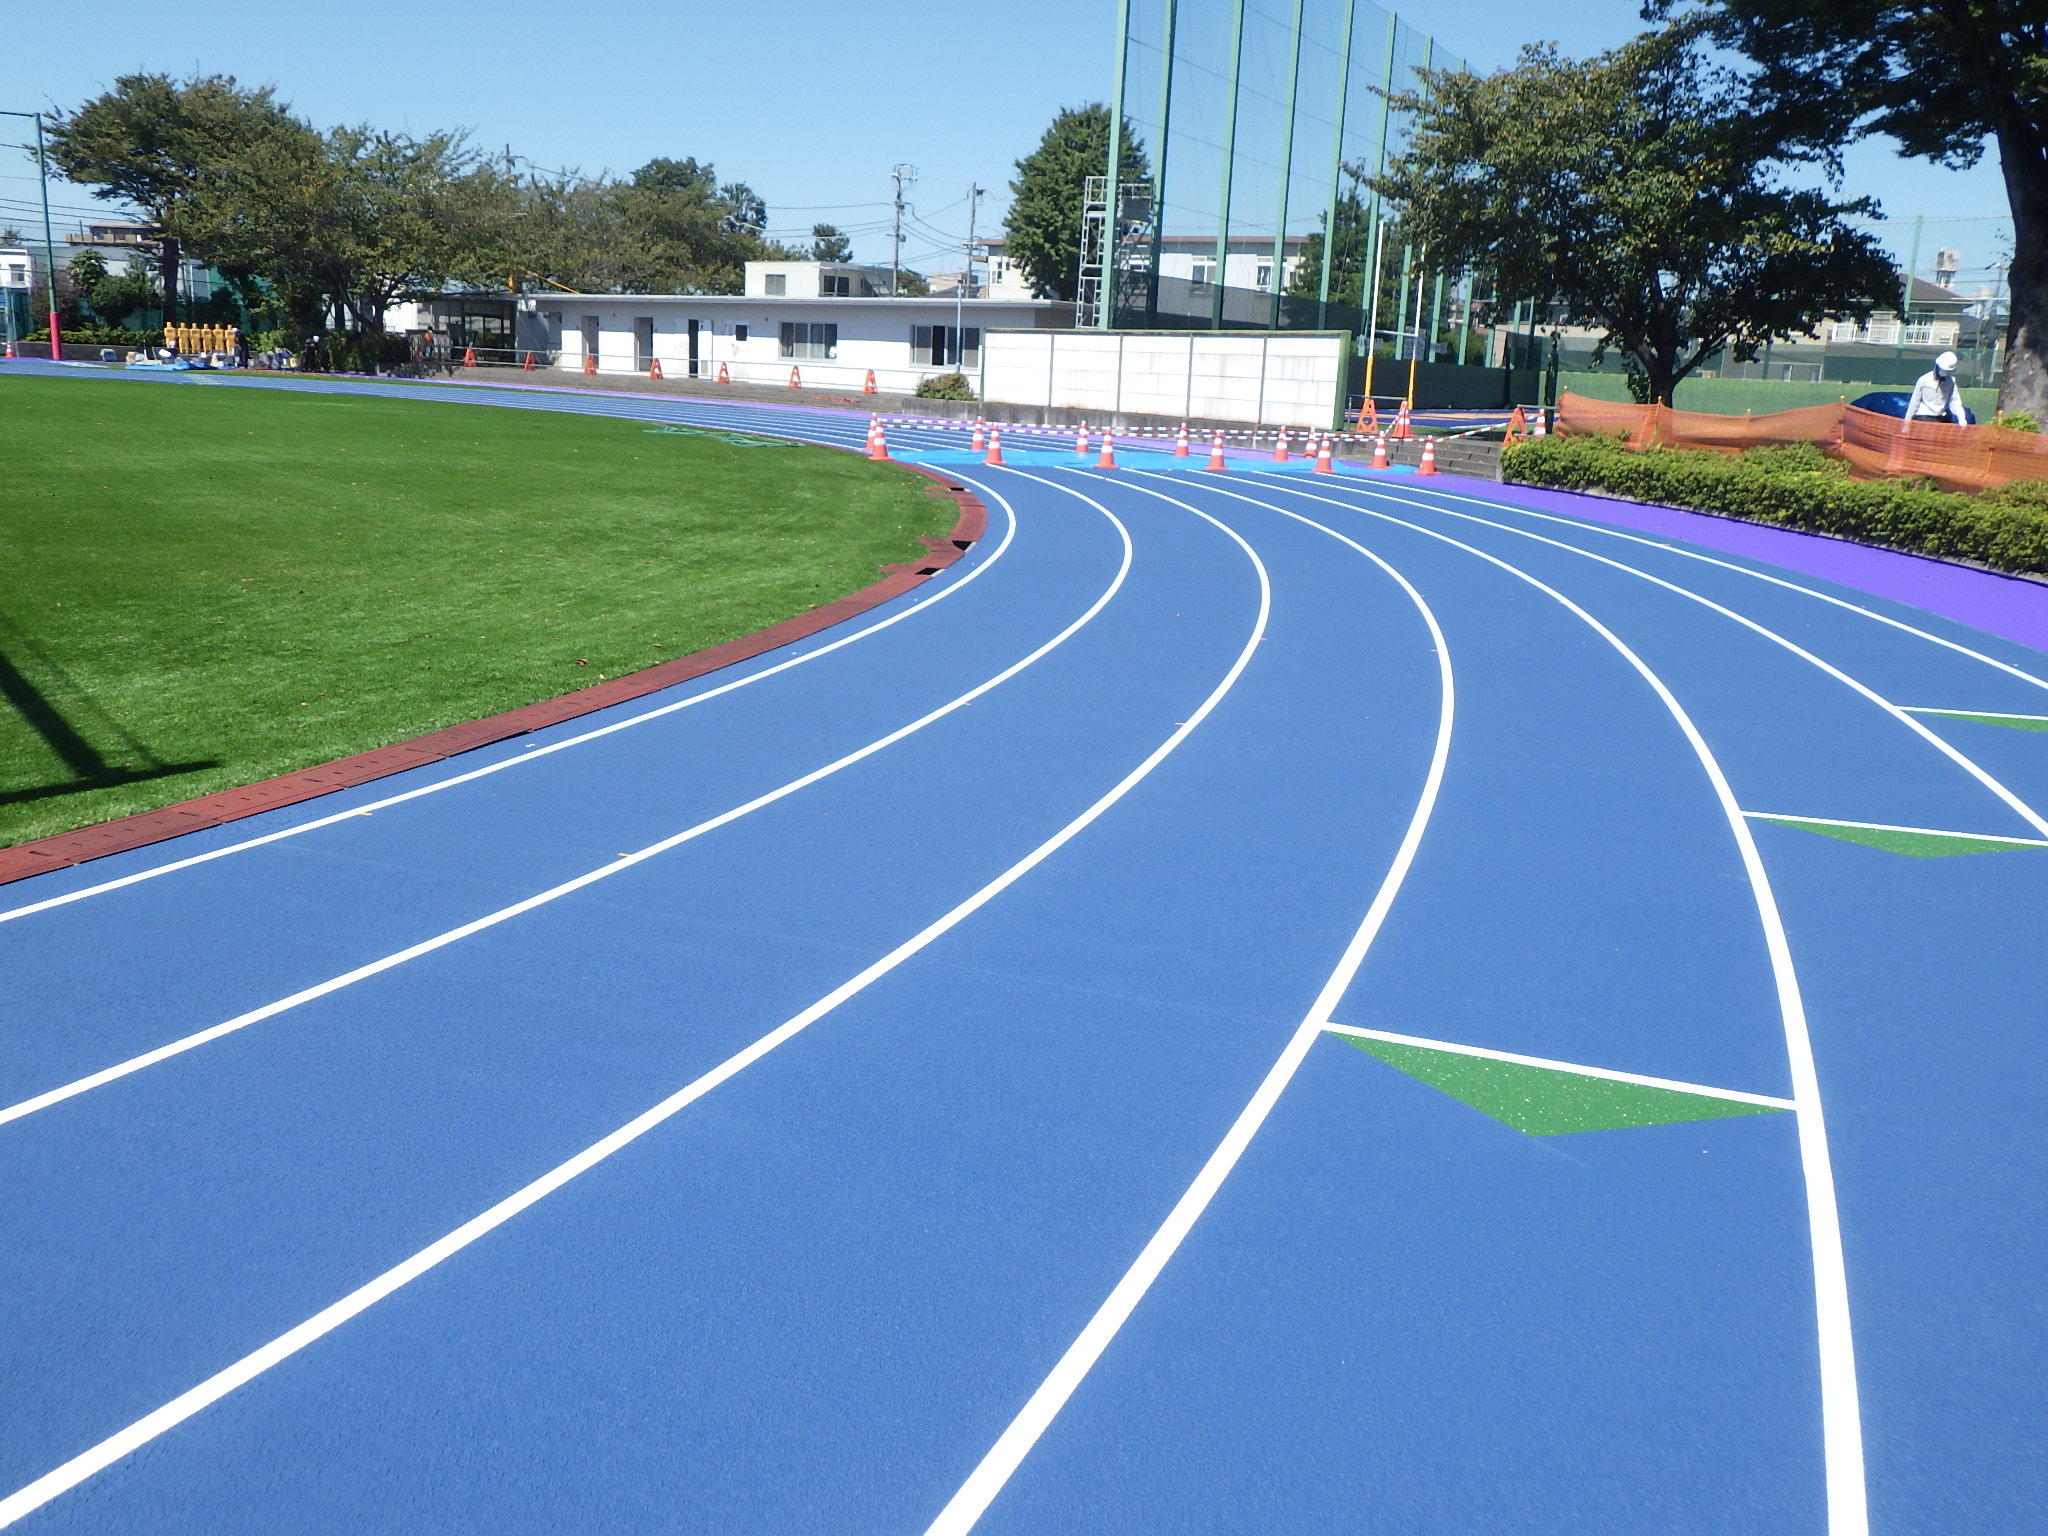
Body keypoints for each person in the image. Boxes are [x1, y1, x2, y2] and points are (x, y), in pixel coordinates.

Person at [1900, 350, 1968, 432]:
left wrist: (1961, 417)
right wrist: (1907, 422)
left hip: (1940, 418)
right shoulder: (1924, 380)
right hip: (1923, 418)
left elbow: (1955, 402)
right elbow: (1915, 402)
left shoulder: (1951, 382)